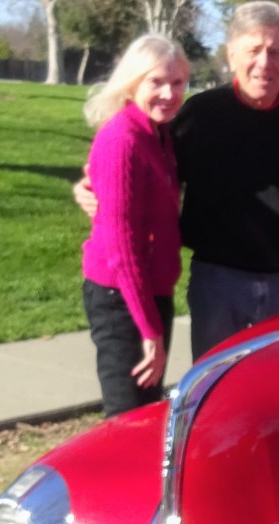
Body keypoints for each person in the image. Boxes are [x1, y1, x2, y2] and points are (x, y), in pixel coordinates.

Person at [76, 2, 279, 361]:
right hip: (216, 281)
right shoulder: (200, 115)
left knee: (278, 392)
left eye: (276, 52)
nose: (264, 63)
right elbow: (146, 167)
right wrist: (89, 184)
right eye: (253, 50)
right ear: (231, 55)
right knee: (213, 390)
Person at [80, 35, 189, 417]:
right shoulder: (122, 139)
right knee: (126, 417)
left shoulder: (158, 135)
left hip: (152, 291)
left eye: (177, 83)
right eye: (156, 82)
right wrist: (149, 331)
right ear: (132, 83)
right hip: (120, 297)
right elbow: (121, 246)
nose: (168, 93)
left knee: (147, 411)